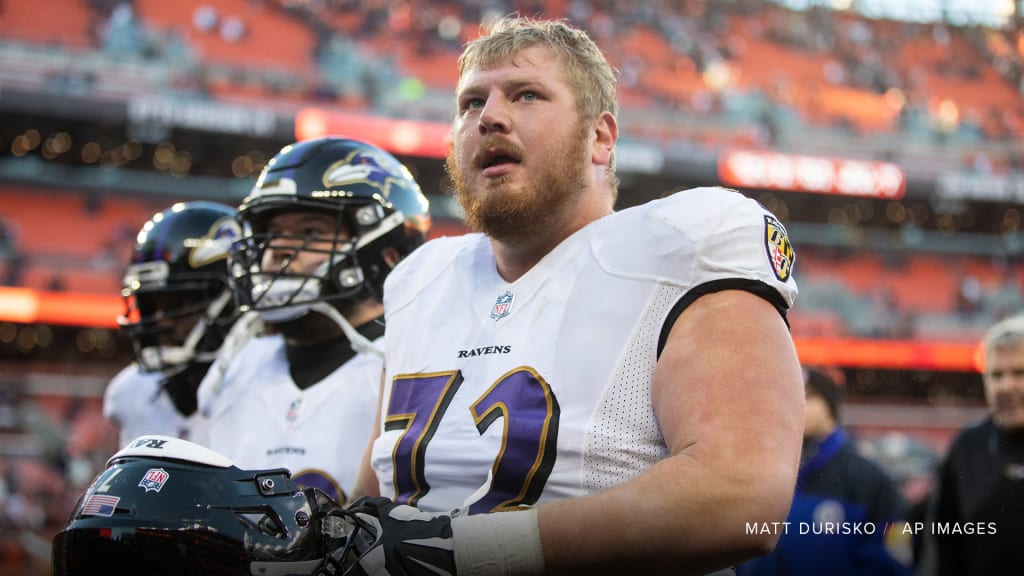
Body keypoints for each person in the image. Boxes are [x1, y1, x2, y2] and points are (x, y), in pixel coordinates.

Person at [324, 15, 805, 576]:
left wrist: (470, 553)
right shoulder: (418, 280)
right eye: (470, 103)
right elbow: (370, 497)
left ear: (600, 137)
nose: (489, 118)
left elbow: (741, 497)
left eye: (526, 95)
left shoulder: (683, 243)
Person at [197, 136, 430, 506]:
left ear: (383, 252)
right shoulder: (236, 367)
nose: (277, 251)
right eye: (271, 233)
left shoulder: (412, 365)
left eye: (309, 233)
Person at [736, 367, 914, 576]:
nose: (797, 404)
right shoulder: (765, 474)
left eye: (809, 396)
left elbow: (893, 554)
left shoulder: (867, 477)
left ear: (830, 407)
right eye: (790, 396)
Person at [103, 200, 241, 448]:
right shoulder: (131, 393)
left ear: (232, 302)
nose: (161, 319)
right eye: (152, 304)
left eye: (178, 303)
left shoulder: (261, 386)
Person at [926, 313, 1024, 576]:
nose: (1006, 386)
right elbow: (944, 545)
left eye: (1019, 373)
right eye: (996, 375)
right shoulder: (966, 449)